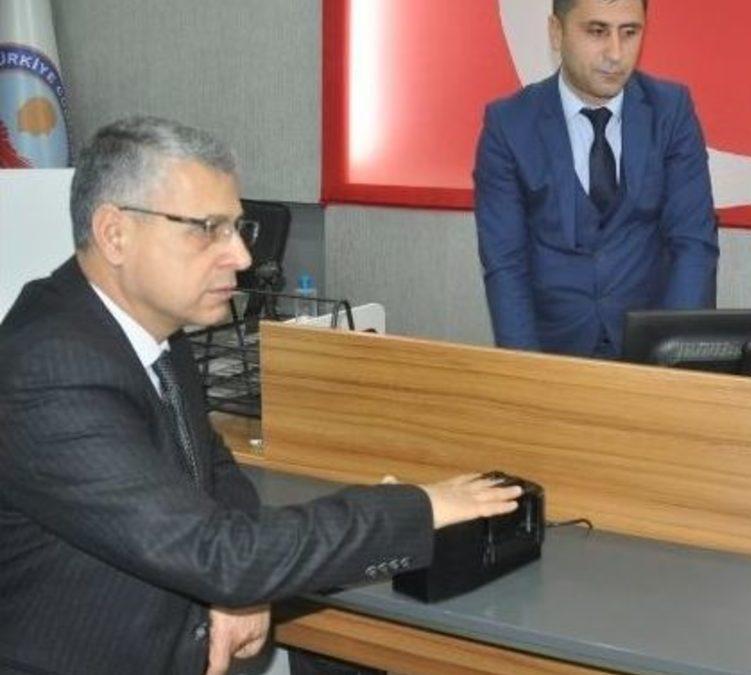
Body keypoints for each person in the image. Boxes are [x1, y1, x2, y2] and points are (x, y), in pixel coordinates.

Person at [0, 116, 522, 675]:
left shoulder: (154, 327)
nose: (242, 258)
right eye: (208, 228)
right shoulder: (47, 368)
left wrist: (244, 589)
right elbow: (217, 555)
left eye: (237, 228)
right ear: (114, 234)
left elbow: (212, 470)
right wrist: (421, 507)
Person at [474, 0, 719, 358]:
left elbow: (693, 244)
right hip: (551, 355)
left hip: (651, 355)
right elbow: (505, 264)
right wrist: (527, 373)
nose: (615, 54)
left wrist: (674, 362)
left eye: (629, 32)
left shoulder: (671, 112)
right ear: (556, 33)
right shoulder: (509, 125)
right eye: (597, 31)